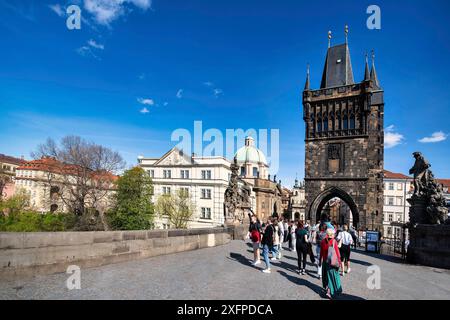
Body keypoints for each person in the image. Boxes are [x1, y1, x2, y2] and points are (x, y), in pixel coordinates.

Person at [320, 228, 343, 299]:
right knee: (332, 277)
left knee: (326, 277)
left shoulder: (323, 241)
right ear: (332, 234)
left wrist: (320, 260)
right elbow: (337, 253)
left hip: (325, 261)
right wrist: (339, 263)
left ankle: (327, 289)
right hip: (332, 262)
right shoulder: (334, 241)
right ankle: (330, 292)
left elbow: (321, 252)